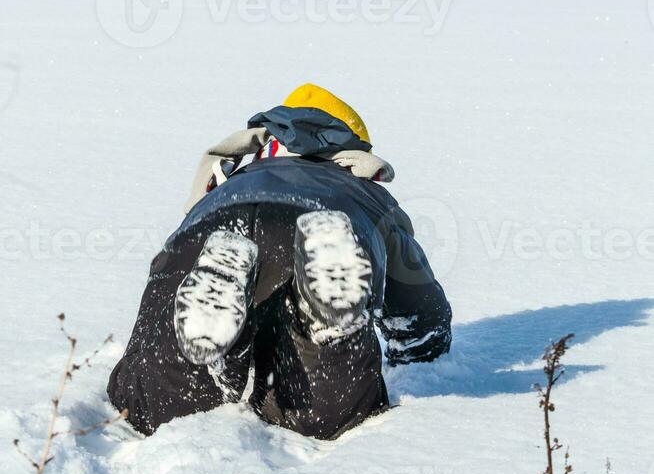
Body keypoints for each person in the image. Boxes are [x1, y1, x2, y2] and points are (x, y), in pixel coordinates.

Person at [107, 83, 452, 440]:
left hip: (212, 229)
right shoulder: (368, 195)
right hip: (323, 219)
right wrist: (425, 349)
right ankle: (321, 326)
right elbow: (421, 309)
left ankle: (197, 341)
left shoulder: (226, 180)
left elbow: (162, 269)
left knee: (146, 398)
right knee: (326, 415)